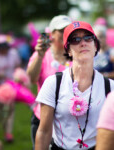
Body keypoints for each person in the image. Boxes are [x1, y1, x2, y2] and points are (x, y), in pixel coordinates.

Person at [35, 21, 114, 150]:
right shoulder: (53, 83)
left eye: (88, 38)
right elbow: (43, 132)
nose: (83, 43)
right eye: (75, 39)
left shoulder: (110, 87)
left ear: (95, 46)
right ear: (69, 50)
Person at [26, 15, 72, 150]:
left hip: (68, 119)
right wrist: (39, 55)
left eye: (68, 30)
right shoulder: (42, 54)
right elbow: (32, 78)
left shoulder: (74, 53)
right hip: (43, 118)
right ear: (51, 34)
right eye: (61, 30)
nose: (66, 34)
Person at [0, 35, 21, 142]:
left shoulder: (13, 54)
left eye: (5, 47)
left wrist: (18, 76)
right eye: (1, 47)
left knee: (10, 108)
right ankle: (4, 128)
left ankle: (8, 133)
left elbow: (18, 66)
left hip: (11, 84)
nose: (4, 49)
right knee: (3, 109)